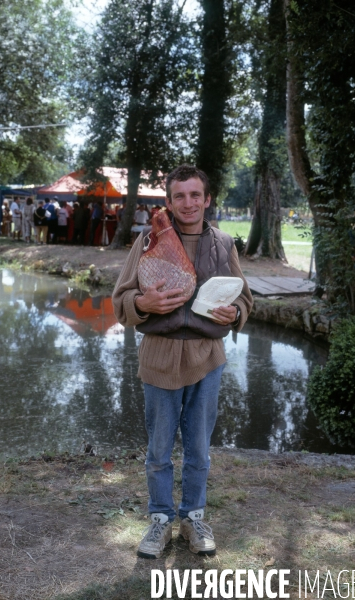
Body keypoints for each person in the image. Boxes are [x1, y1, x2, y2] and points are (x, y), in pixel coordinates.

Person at [112, 165, 253, 559]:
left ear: (207, 199)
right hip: (159, 357)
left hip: (207, 358)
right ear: (169, 201)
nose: (188, 203)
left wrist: (234, 313)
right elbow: (120, 301)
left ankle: (193, 518)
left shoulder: (224, 244)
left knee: (198, 449)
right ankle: (159, 519)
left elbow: (245, 298)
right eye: (180, 196)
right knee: (159, 449)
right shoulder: (148, 240)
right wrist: (143, 303)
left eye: (196, 195)